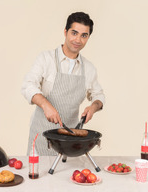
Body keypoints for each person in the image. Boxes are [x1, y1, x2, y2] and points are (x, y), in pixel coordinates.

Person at [21, 12, 105, 155]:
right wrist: (45, 104)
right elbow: (28, 85)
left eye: (84, 35)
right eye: (74, 33)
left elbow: (99, 95)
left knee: (67, 176)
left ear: (88, 37)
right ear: (65, 32)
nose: (78, 39)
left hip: (71, 141)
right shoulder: (46, 59)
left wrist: (93, 107)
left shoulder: (89, 68)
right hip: (42, 136)